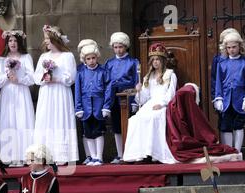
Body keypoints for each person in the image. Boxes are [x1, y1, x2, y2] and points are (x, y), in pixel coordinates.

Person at [123, 42, 178, 164]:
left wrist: (162, 104)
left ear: (163, 60)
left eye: (158, 59)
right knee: (136, 119)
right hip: (150, 103)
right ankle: (140, 154)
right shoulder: (148, 77)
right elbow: (143, 99)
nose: (155, 62)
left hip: (163, 104)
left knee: (153, 118)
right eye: (153, 60)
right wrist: (139, 91)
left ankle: (153, 153)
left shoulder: (170, 74)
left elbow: (171, 94)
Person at [33, 25, 78, 165]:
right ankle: (44, 154)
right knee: (46, 120)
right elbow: (36, 77)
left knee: (60, 120)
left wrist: (57, 79)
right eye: (45, 39)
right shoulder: (43, 56)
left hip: (60, 93)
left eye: (48, 39)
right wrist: (44, 78)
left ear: (55, 39)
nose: (46, 41)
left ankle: (62, 155)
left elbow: (71, 78)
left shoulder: (67, 56)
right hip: (47, 93)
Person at [0, 30, 35, 166]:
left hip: (21, 91)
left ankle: (24, 155)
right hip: (7, 93)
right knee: (9, 121)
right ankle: (10, 156)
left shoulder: (26, 57)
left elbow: (32, 78)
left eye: (15, 41)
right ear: (7, 43)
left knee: (22, 120)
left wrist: (19, 79)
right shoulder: (1, 60)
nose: (13, 43)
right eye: (10, 41)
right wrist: (7, 76)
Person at [103, 32, 139, 164]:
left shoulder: (133, 62)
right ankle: (120, 154)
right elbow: (106, 83)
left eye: (120, 47)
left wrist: (135, 100)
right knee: (117, 126)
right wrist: (106, 104)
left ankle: (130, 153)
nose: (118, 50)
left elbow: (137, 81)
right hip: (113, 98)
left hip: (128, 98)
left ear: (126, 46)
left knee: (129, 125)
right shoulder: (109, 63)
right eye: (115, 47)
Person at [75, 39, 107, 166]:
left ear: (97, 57)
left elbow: (107, 89)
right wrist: (78, 108)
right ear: (84, 60)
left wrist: (106, 106)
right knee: (88, 132)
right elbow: (77, 91)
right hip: (85, 106)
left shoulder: (103, 71)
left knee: (99, 131)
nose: (91, 61)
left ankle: (99, 157)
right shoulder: (81, 73)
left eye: (93, 58)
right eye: (88, 59)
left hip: (99, 106)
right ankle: (92, 156)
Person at [214, 32, 245, 152]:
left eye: (234, 47)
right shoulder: (222, 63)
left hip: (240, 100)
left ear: (239, 46)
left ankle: (237, 152)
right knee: (225, 126)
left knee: (238, 125)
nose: (231, 50)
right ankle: (228, 151)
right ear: (225, 48)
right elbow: (218, 81)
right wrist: (218, 98)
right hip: (226, 99)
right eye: (229, 47)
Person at [210, 28, 240, 102]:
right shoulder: (218, 60)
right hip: (223, 97)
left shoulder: (243, 60)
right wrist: (215, 98)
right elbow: (214, 80)